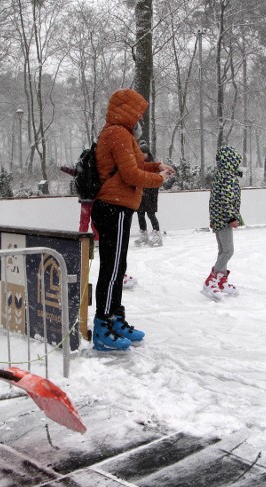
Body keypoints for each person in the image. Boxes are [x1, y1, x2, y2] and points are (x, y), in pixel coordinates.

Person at [91, 88, 174, 351]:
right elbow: (130, 175)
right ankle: (103, 324)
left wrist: (156, 166)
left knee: (118, 266)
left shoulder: (122, 133)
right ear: (127, 110)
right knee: (112, 268)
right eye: (137, 111)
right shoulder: (116, 133)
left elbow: (136, 166)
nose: (140, 116)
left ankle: (114, 318)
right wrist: (158, 179)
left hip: (120, 206)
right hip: (112, 206)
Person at [202, 146, 243, 301]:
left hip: (219, 218)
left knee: (222, 251)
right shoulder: (227, 177)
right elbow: (226, 199)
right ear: (230, 161)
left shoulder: (221, 175)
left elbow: (213, 199)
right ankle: (212, 280)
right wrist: (232, 217)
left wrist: (213, 219)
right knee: (228, 251)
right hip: (225, 219)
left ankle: (221, 281)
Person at [133, 141, 163, 247]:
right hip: (141, 193)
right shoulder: (138, 164)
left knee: (151, 215)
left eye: (144, 153)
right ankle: (143, 235)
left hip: (151, 194)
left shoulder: (153, 164)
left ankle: (157, 235)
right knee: (140, 214)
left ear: (147, 153)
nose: (142, 155)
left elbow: (156, 179)